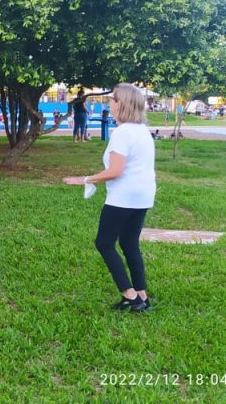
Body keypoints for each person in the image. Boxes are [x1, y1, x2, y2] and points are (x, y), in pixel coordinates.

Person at [64, 83, 156, 312]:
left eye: (112, 99)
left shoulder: (123, 132)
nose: (109, 102)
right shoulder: (142, 130)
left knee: (104, 243)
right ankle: (142, 295)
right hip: (143, 195)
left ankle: (130, 295)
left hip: (124, 197)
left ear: (121, 103)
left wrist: (85, 179)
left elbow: (115, 170)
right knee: (129, 243)